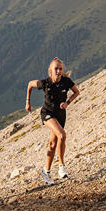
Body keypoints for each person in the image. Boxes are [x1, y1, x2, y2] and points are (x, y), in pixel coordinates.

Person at [25, 57, 80, 185]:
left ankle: (46, 171)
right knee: (62, 135)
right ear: (50, 70)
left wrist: (67, 103)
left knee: (53, 144)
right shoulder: (45, 83)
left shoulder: (66, 81)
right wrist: (28, 102)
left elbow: (76, 92)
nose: (59, 71)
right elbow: (29, 84)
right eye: (56, 68)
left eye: (60, 69)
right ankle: (61, 166)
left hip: (60, 114)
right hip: (47, 113)